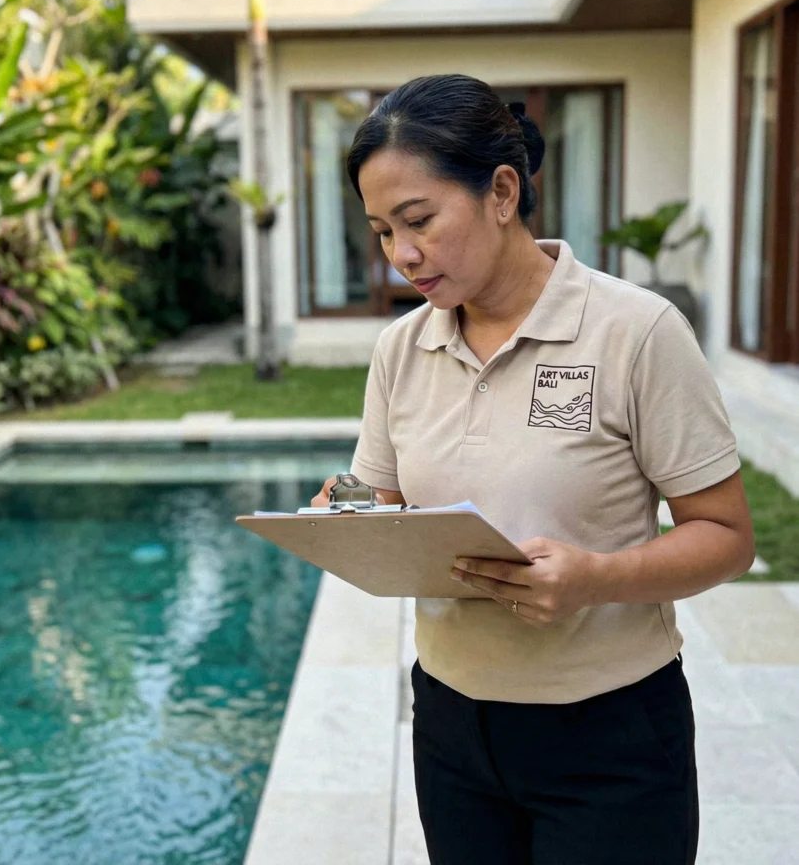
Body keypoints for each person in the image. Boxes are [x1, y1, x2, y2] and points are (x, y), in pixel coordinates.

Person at [310, 74, 754, 865]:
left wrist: (592, 577)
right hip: (451, 725)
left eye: (418, 220)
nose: (400, 255)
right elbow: (380, 500)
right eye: (381, 231)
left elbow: (724, 536)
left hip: (609, 734)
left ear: (502, 191)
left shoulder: (636, 331)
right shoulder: (400, 348)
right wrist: (344, 514)